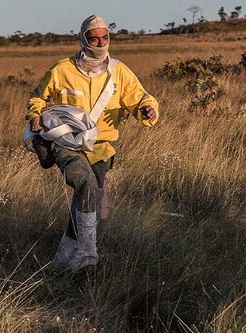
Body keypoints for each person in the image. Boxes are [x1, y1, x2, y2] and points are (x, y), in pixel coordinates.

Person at [26, 15, 159, 272]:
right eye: (94, 38)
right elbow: (38, 97)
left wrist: (147, 109)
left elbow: (140, 98)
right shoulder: (62, 69)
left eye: (104, 37)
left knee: (93, 206)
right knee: (84, 183)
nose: (100, 43)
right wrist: (34, 115)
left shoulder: (119, 71)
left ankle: (63, 259)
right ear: (83, 39)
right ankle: (88, 254)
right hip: (66, 142)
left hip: (101, 147)